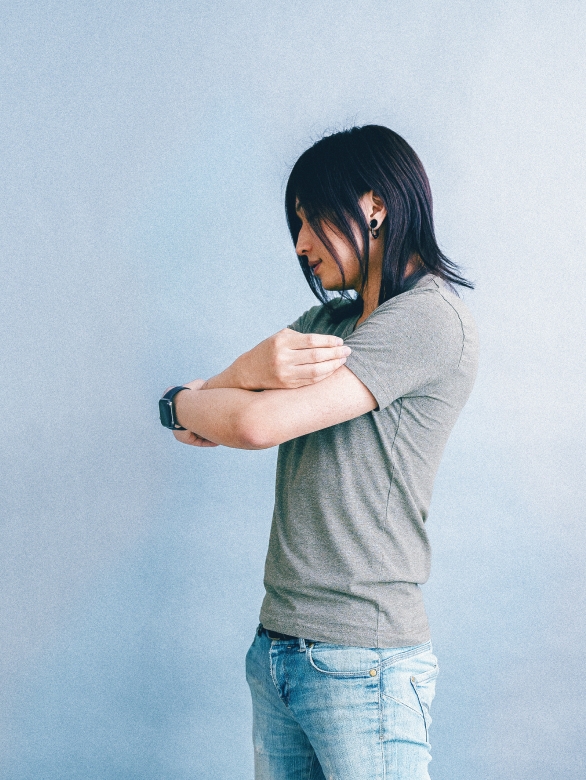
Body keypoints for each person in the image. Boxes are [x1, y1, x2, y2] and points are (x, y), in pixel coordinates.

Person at [159, 125, 478, 780]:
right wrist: (227, 382)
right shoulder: (326, 325)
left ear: (374, 205)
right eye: (298, 223)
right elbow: (206, 419)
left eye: (313, 218)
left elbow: (249, 424)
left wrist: (189, 396)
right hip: (277, 648)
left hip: (364, 658)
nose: (301, 244)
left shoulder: (429, 320)